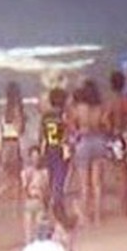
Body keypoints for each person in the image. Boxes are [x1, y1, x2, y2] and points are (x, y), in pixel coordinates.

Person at [70, 79, 109, 225]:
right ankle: (98, 217)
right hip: (98, 141)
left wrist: (77, 133)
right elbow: (106, 124)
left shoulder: (79, 108)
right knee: (97, 183)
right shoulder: (99, 108)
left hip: (84, 142)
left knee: (84, 184)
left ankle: (86, 216)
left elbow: (73, 127)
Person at [105, 70, 127, 216]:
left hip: (117, 137)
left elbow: (106, 119)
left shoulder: (111, 100)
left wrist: (109, 132)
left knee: (120, 172)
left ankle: (124, 208)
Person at [39, 87, 72, 226]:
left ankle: (47, 211)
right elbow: (66, 134)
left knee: (50, 179)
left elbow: (41, 135)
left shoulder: (45, 116)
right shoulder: (63, 115)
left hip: (48, 149)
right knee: (59, 180)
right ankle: (58, 208)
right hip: (59, 149)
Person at [0, 81, 27, 205]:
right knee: (16, 179)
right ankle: (14, 206)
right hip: (14, 144)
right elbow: (19, 129)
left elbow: (1, 129)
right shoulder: (17, 108)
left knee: (9, 177)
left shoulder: (5, 109)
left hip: (5, 144)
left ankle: (5, 201)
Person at [21, 147, 49, 244]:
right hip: (30, 201)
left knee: (39, 228)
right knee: (28, 230)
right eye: (33, 156)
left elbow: (46, 188)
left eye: (37, 156)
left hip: (40, 201)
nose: (35, 159)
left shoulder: (44, 172)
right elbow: (24, 188)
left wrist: (45, 202)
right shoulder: (26, 172)